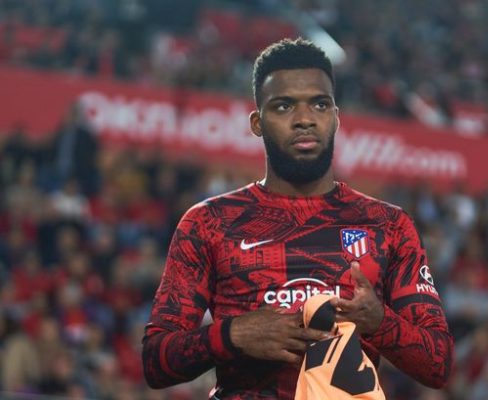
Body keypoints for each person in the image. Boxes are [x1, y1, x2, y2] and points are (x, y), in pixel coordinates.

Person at [142, 38, 454, 399]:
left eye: (319, 104)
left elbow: (439, 363)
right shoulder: (208, 223)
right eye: (284, 106)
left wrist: (379, 322)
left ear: (335, 117)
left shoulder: (389, 226)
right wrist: (233, 335)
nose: (304, 119)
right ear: (257, 122)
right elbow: (155, 360)